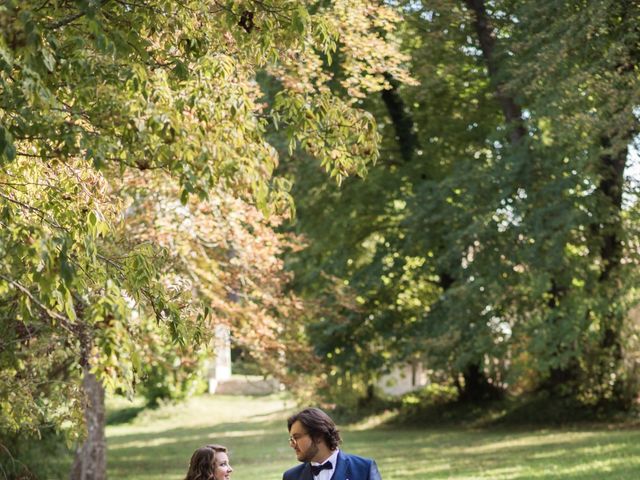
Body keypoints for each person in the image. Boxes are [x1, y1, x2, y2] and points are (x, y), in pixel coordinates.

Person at [283, 407, 382, 480]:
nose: (292, 444)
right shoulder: (291, 477)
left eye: (296, 437)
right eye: (291, 439)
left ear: (318, 436)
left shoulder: (364, 469)